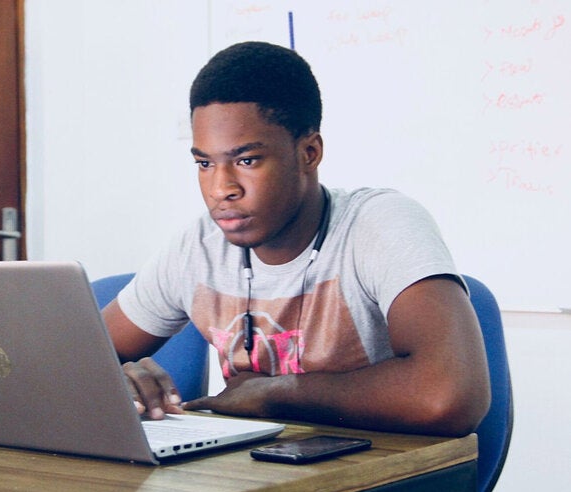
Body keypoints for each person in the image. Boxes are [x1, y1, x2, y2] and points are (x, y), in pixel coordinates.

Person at [102, 41, 490, 437]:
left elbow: (449, 396)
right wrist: (119, 378)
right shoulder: (199, 246)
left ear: (309, 152)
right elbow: (67, 362)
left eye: (246, 161)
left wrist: (276, 393)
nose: (221, 188)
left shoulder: (379, 224)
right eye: (204, 163)